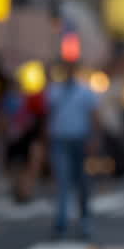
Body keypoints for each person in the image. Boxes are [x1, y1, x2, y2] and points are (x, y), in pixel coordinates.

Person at [46, 61, 99, 238]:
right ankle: (61, 222)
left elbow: (93, 115)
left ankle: (85, 220)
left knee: (82, 183)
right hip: (60, 139)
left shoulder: (85, 91)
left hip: (80, 140)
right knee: (62, 181)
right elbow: (48, 116)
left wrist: (93, 138)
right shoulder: (54, 91)